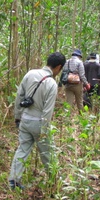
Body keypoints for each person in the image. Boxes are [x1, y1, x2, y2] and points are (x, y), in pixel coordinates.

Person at [9, 52, 66, 189]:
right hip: (39, 122)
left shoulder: (30, 74)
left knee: (22, 150)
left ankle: (13, 181)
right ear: (58, 67)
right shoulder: (52, 83)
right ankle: (54, 182)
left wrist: (17, 116)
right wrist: (45, 131)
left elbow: (19, 97)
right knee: (48, 154)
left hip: (25, 120)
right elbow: (48, 111)